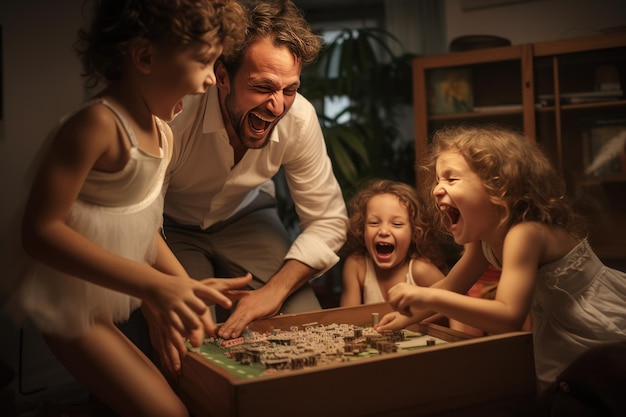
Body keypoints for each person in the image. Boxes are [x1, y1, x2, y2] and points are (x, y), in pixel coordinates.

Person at [2, 1, 248, 416]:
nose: (211, 80)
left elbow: (140, 226)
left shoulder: (164, 135)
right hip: (67, 304)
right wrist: (153, 287)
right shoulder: (97, 125)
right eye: (205, 62)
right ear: (146, 57)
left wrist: (182, 285)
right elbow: (40, 231)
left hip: (107, 298)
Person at [375, 125, 626, 391]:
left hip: (599, 323)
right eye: (438, 180)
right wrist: (407, 318)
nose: (437, 189)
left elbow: (508, 316)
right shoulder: (483, 238)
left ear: (498, 186)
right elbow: (450, 287)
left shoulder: (524, 233)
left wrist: (427, 296)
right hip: (558, 329)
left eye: (451, 179)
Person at [163, 0, 348, 340]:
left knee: (306, 327)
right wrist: (169, 292)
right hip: (169, 227)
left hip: (248, 216)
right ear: (222, 77)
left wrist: (274, 292)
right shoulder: (176, 111)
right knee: (191, 337)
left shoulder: (300, 117)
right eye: (263, 87)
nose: (278, 106)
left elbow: (328, 220)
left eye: (289, 89)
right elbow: (137, 218)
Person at [339, 179, 445, 307]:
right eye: (374, 223)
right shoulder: (357, 266)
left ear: (415, 233)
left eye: (397, 224)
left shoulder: (421, 270)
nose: (383, 231)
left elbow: (454, 309)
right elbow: (346, 318)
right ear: (362, 229)